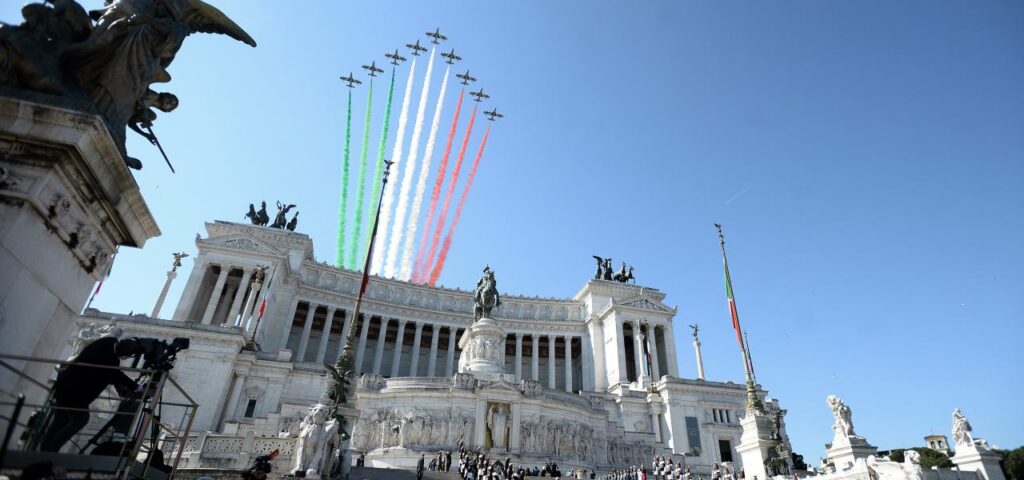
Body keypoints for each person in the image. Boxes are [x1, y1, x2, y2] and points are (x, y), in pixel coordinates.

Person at [40, 337, 140, 452]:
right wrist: (137, 387)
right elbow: (114, 373)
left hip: (65, 388)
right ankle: (51, 450)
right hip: (74, 394)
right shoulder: (109, 358)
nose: (124, 358)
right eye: (127, 355)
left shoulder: (108, 342)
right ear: (123, 352)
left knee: (60, 421)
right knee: (80, 419)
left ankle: (44, 450)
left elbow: (110, 374)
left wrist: (122, 387)